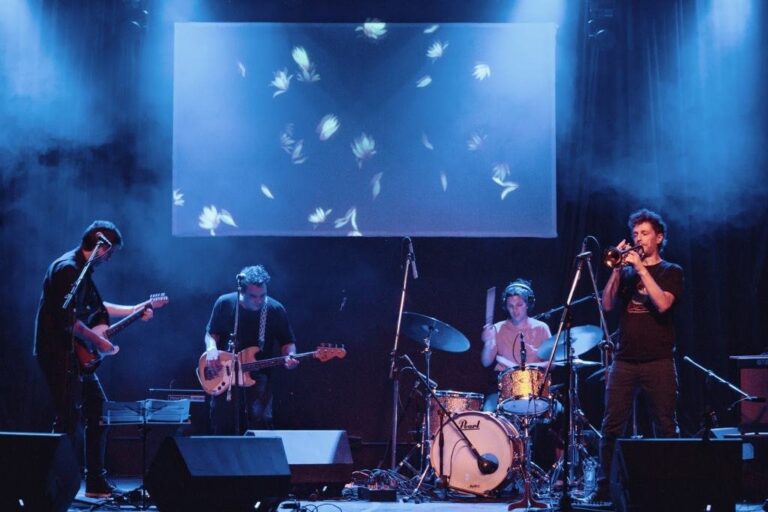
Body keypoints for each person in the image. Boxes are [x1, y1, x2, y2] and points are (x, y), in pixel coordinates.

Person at [34, 220, 154, 498]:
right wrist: (98, 340)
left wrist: (134, 309)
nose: (110, 260)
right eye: (110, 254)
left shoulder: (83, 271)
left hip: (75, 352)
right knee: (67, 418)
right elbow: (67, 318)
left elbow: (98, 308)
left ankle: (96, 483)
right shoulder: (67, 269)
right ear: (101, 248)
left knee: (97, 408)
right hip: (56, 351)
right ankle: (53, 486)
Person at [592, 208, 683, 502]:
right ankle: (606, 487)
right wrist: (617, 269)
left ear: (659, 237)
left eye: (644, 234)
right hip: (625, 361)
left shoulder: (671, 271)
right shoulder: (627, 273)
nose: (638, 239)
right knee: (611, 426)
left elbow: (664, 304)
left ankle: (671, 488)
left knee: (665, 425)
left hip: (658, 360)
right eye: (634, 234)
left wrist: (642, 270)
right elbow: (606, 304)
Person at [204, 265, 298, 434]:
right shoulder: (225, 303)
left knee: (259, 430)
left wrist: (290, 357)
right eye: (253, 296)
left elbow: (288, 342)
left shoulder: (275, 309)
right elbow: (211, 334)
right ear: (241, 291)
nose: (259, 300)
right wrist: (211, 349)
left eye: (262, 295)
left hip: (258, 380)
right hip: (225, 379)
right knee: (222, 429)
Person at [481, 279, 552, 412]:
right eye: (510, 306)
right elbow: (486, 362)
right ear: (505, 307)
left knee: (559, 412)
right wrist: (488, 342)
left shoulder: (541, 328)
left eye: (519, 304)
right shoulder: (497, 328)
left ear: (528, 305)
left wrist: (528, 368)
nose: (515, 310)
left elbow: (552, 363)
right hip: (502, 388)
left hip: (535, 387)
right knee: (488, 414)